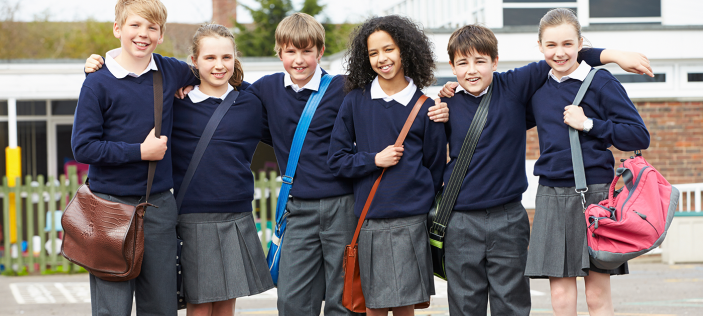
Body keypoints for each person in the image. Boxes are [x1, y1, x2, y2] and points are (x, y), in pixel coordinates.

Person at [436, 25, 653, 315]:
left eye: (480, 61)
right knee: (469, 304)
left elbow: (564, 55)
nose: (471, 70)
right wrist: (443, 96)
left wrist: (614, 56)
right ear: (451, 66)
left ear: (495, 61)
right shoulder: (445, 104)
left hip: (526, 212)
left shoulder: (515, 85)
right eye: (462, 63)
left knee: (519, 302)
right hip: (473, 215)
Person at [71, 0, 198, 315]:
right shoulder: (97, 82)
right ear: (118, 29)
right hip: (109, 208)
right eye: (135, 25)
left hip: (157, 206)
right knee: (112, 308)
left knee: (161, 306)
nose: (143, 34)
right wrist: (141, 152)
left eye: (151, 27)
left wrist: (188, 85)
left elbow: (211, 74)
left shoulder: (171, 71)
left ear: (161, 34)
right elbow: (83, 147)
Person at [524, 8, 650, 316]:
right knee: (561, 300)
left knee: (596, 295)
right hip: (551, 194)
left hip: (593, 195)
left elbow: (638, 136)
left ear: (581, 43)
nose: (560, 52)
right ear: (539, 46)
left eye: (568, 44)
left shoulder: (601, 82)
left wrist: (590, 124)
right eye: (551, 45)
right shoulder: (536, 85)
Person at [327, 15, 446, 316]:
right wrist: (373, 160)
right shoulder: (355, 101)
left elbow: (433, 167)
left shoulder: (427, 107)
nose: (382, 58)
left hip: (411, 223)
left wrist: (414, 199)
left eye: (389, 49)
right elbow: (337, 160)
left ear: (405, 50)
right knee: (374, 308)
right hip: (370, 222)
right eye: (373, 53)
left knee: (406, 308)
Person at [170, 23, 273, 316]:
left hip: (237, 214)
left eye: (226, 58)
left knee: (227, 304)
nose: (219, 65)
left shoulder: (251, 101)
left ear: (235, 58)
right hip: (193, 217)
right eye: (210, 58)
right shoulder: (177, 102)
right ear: (194, 61)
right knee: (200, 305)